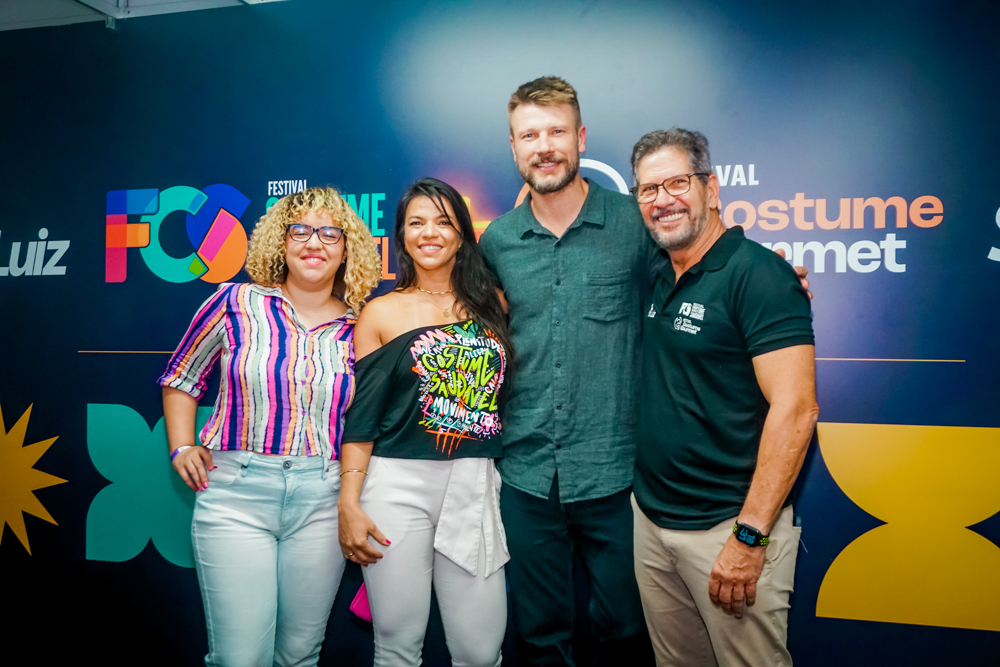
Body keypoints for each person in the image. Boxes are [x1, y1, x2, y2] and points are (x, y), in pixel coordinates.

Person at [159, 186, 382, 667]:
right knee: (240, 658)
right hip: (236, 497)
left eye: (329, 233)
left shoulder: (361, 326)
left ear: (347, 249)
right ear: (280, 243)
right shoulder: (234, 301)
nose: (313, 242)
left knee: (300, 656)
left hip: (323, 502)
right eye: (299, 230)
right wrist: (181, 446)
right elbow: (182, 376)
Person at [478, 76, 653, 666]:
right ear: (513, 147)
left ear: (580, 137)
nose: (544, 146)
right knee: (540, 635)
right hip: (526, 473)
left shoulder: (635, 224)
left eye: (556, 131)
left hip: (617, 473)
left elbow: (701, 277)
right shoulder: (497, 241)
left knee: (628, 632)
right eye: (530, 134)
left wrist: (772, 276)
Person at [629, 128, 818, 666]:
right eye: (648, 189)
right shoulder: (657, 273)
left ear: (711, 189)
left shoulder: (761, 275)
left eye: (677, 183)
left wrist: (749, 537)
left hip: (727, 530)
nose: (663, 199)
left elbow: (797, 408)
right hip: (652, 522)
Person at [338, 177, 514, 667]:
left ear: (462, 234)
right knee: (396, 647)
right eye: (416, 222)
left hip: (474, 483)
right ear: (402, 236)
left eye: (443, 221)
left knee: (480, 653)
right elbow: (363, 417)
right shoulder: (380, 311)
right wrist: (349, 500)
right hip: (395, 486)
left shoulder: (494, 306)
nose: (429, 232)